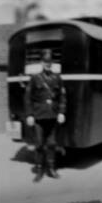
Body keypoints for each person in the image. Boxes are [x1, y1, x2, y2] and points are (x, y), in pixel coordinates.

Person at [24, 49, 66, 181]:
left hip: (52, 116)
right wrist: (30, 115)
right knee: (39, 144)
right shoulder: (35, 78)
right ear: (41, 63)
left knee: (52, 144)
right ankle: (39, 170)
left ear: (52, 63)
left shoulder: (57, 78)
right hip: (39, 116)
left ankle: (51, 169)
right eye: (45, 62)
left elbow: (63, 97)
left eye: (50, 62)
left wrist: (61, 112)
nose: (48, 64)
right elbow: (28, 98)